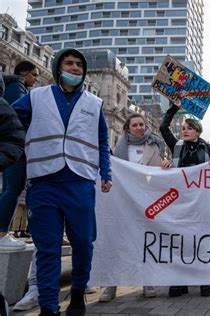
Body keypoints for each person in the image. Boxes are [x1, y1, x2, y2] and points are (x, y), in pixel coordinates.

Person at [12, 48, 112, 316]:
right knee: (47, 248)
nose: (75, 68)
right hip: (43, 182)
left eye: (79, 64)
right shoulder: (35, 96)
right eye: (69, 63)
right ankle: (48, 307)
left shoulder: (94, 103)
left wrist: (106, 172)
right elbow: (8, 120)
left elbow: (103, 141)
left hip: (79, 182)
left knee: (82, 243)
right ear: (58, 68)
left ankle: (78, 295)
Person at [99, 113, 167, 302]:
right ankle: (111, 285)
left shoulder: (155, 145)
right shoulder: (119, 147)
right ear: (128, 128)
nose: (139, 127)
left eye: (141, 125)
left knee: (146, 241)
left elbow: (159, 169)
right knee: (118, 242)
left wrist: (165, 164)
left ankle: (147, 282)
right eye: (135, 125)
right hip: (122, 201)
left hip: (146, 199)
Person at [160, 102, 210, 298]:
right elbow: (163, 127)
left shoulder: (208, 149)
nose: (185, 130)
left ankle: (204, 281)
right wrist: (174, 107)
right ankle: (180, 282)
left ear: (197, 132)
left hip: (202, 204)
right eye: (183, 128)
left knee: (201, 242)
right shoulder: (176, 146)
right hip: (181, 203)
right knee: (181, 241)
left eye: (189, 128)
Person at [0, 61, 39, 251]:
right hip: (15, 145)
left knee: (8, 189)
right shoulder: (18, 88)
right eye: (34, 74)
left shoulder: (10, 87)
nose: (36, 79)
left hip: (7, 144)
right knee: (13, 189)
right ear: (24, 73)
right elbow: (16, 116)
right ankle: (1, 233)